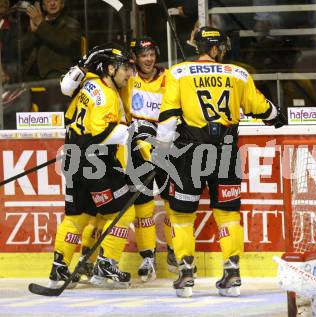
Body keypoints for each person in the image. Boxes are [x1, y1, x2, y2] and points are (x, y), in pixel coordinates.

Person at [155, 26, 286, 298]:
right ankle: (232, 273)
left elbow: (167, 120)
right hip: (225, 153)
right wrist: (277, 116)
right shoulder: (238, 73)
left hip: (189, 153)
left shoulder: (177, 72)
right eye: (221, 47)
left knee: (181, 215)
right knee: (227, 214)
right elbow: (262, 107)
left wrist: (162, 151)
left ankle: (186, 273)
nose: (224, 51)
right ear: (214, 49)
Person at [49, 44, 135, 289]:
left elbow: (66, 87)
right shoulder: (107, 94)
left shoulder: (89, 81)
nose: (129, 74)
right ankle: (106, 266)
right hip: (95, 161)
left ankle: (59, 269)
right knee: (122, 211)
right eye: (125, 68)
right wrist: (132, 132)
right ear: (110, 68)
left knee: (78, 215)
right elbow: (102, 132)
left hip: (73, 156)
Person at [119, 37, 178, 281]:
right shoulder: (127, 78)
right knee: (142, 203)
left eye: (152, 54)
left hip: (165, 146)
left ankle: (176, 252)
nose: (149, 58)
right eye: (144, 55)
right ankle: (148, 258)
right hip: (135, 149)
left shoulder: (169, 78)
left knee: (172, 202)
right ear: (135, 57)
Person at [22, 0, 81, 81]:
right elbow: (22, 48)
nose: (52, 3)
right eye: (48, 0)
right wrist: (34, 33)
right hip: (34, 72)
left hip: (58, 71)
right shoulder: (37, 21)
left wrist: (40, 24)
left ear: (62, 4)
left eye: (56, 0)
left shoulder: (71, 23)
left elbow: (66, 43)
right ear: (43, 6)